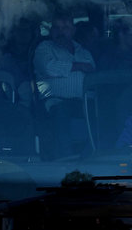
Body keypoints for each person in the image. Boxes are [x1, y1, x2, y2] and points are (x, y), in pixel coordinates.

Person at [33, 13, 96, 157]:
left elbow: (92, 71)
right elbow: (48, 67)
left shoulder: (84, 52)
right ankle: (65, 158)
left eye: (65, 28)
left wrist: (70, 67)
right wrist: (79, 66)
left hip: (85, 102)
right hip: (55, 101)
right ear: (51, 30)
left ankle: (93, 156)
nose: (60, 32)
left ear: (73, 30)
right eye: (57, 28)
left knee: (101, 111)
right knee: (62, 110)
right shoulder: (44, 48)